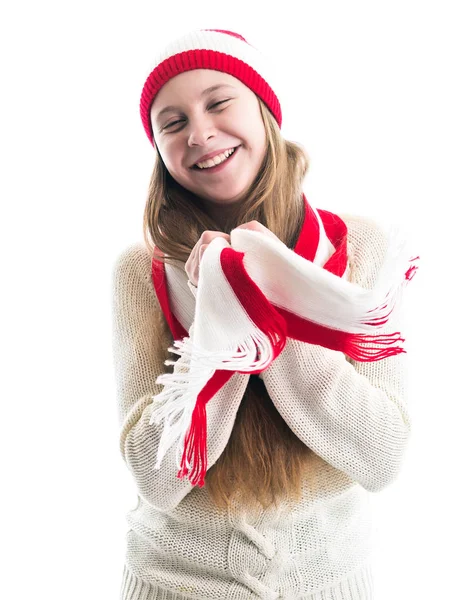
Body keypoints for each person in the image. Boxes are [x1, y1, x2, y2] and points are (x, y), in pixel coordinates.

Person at [111, 28, 418, 600]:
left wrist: (266, 299)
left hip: (330, 583)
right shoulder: (141, 271)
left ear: (265, 112)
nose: (199, 133)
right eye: (171, 123)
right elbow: (156, 480)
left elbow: (382, 458)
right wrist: (218, 323)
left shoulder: (360, 246)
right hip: (175, 585)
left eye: (219, 102)